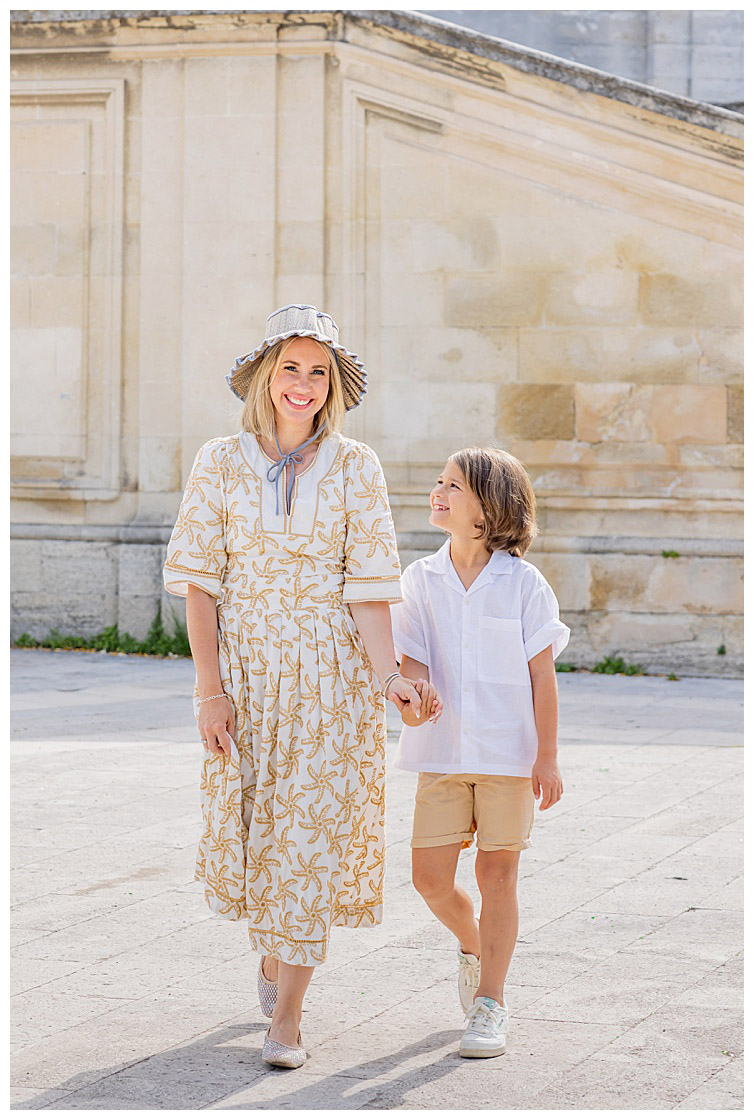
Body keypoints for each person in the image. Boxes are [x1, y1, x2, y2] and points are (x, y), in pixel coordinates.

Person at [163, 304, 434, 1069]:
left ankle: (287, 1016)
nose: (304, 384)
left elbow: (369, 588)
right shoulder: (218, 462)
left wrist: (388, 678)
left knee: (312, 840)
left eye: (319, 372)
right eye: (292, 368)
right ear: (265, 376)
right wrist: (208, 691)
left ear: (333, 385)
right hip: (247, 678)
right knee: (262, 837)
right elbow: (200, 587)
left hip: (331, 683)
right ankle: (272, 956)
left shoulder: (358, 467)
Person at [390, 446, 570, 1059]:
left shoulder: (523, 583)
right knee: (428, 879)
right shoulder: (417, 578)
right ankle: (473, 944)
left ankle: (490, 1000)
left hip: (507, 757)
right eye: (438, 481)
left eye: (454, 486)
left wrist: (546, 757)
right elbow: (409, 660)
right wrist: (416, 695)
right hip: (439, 753)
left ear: (488, 509)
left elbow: (542, 677)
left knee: (498, 875)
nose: (438, 492)